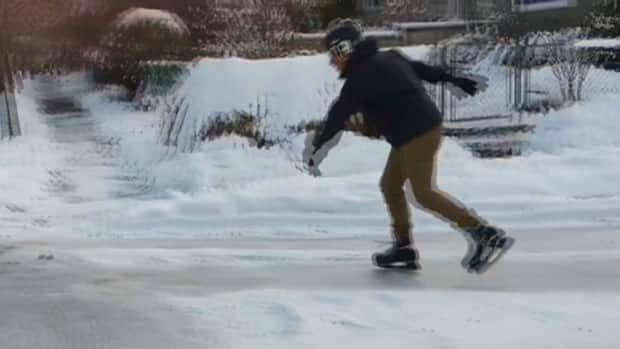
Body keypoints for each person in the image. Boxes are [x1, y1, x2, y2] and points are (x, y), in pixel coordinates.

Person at [307, 18, 515, 274]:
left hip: (418, 134)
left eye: (333, 54)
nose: (331, 61)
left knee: (424, 193)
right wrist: (453, 79)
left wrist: (317, 146)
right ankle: (403, 247)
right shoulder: (389, 57)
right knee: (390, 185)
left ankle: (484, 233)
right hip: (416, 132)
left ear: (344, 49)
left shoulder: (359, 78)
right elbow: (422, 69)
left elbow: (337, 115)